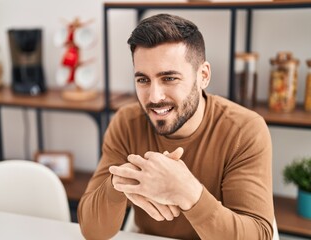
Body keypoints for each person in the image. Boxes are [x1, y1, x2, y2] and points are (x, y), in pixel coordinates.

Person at [77, 13, 274, 240]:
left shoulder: (244, 130)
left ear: (203, 76)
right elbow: (92, 232)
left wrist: (188, 193)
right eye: (143, 80)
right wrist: (119, 183)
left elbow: (259, 235)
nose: (154, 96)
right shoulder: (126, 123)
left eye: (169, 78)